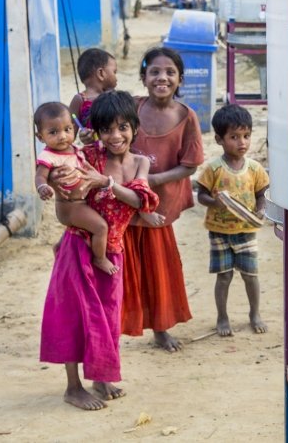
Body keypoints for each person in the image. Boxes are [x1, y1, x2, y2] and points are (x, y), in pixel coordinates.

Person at [40, 90, 158, 410]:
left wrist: (105, 183)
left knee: (107, 317)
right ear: (97, 132)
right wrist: (57, 183)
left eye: (122, 127)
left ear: (134, 127)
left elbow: (140, 201)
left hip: (113, 251)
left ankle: (101, 377)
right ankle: (73, 387)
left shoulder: (139, 163)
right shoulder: (85, 156)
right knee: (73, 316)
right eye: (106, 129)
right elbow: (62, 187)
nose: (115, 136)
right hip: (78, 246)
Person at [124, 47, 203, 352]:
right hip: (125, 203)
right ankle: (118, 325)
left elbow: (191, 164)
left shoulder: (185, 116)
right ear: (143, 77)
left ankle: (160, 328)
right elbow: (103, 130)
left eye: (170, 72)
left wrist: (154, 180)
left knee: (158, 268)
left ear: (180, 79)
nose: (162, 77)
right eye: (154, 71)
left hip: (160, 207)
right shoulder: (130, 108)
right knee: (126, 265)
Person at [196, 104, 270, 337]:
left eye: (246, 136)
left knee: (250, 275)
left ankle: (254, 313)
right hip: (219, 231)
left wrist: (260, 210)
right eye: (234, 137)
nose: (242, 143)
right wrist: (214, 202)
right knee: (224, 276)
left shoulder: (255, 169)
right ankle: (222, 316)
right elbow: (201, 195)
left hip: (247, 230)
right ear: (219, 139)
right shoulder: (214, 169)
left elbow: (262, 195)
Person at [33, 102, 114, 275]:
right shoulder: (48, 156)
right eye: (53, 132)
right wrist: (42, 186)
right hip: (70, 206)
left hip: (81, 202)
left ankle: (60, 246)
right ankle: (99, 258)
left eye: (67, 129)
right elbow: (40, 175)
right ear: (40, 137)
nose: (62, 136)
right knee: (101, 227)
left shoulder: (75, 149)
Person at [69, 48, 119, 144]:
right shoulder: (80, 100)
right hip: (92, 156)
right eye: (114, 72)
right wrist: (83, 136)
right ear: (101, 73)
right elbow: (69, 134)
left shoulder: (115, 97)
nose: (116, 77)